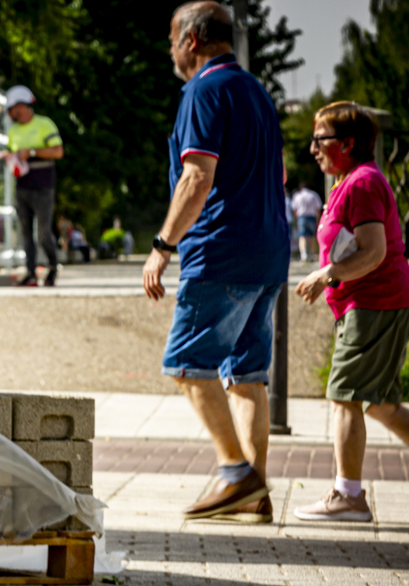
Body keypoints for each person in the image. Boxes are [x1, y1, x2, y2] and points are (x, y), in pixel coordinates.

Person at [142, 1, 289, 522]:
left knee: (185, 364)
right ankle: (257, 494)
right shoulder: (256, 91)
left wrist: (163, 245)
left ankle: (235, 472)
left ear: (190, 41)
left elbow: (197, 176)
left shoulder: (205, 90)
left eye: (172, 40)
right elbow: (281, 174)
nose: (171, 51)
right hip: (269, 251)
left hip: (221, 250)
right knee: (246, 375)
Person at [293, 102, 409, 522]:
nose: (313, 147)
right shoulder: (348, 182)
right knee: (381, 404)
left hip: (375, 304)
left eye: (320, 139)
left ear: (347, 143)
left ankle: (348, 495)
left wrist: (325, 276)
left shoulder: (363, 183)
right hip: (374, 304)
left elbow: (374, 251)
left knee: (344, 396)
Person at [4, 85, 64, 286]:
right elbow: (9, 154)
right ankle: (30, 272)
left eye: (11, 108)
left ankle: (53, 267)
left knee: (43, 232)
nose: (10, 113)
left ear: (21, 105)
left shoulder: (44, 124)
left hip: (43, 185)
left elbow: (57, 152)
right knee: (26, 232)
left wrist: (31, 152)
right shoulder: (13, 132)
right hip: (22, 186)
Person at [291, 181, 324, 262]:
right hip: (312, 217)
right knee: (312, 236)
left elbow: (295, 210)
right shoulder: (313, 195)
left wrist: (295, 221)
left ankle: (304, 254)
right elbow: (318, 209)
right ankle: (312, 254)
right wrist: (318, 220)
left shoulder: (297, 195)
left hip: (301, 217)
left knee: (302, 236)